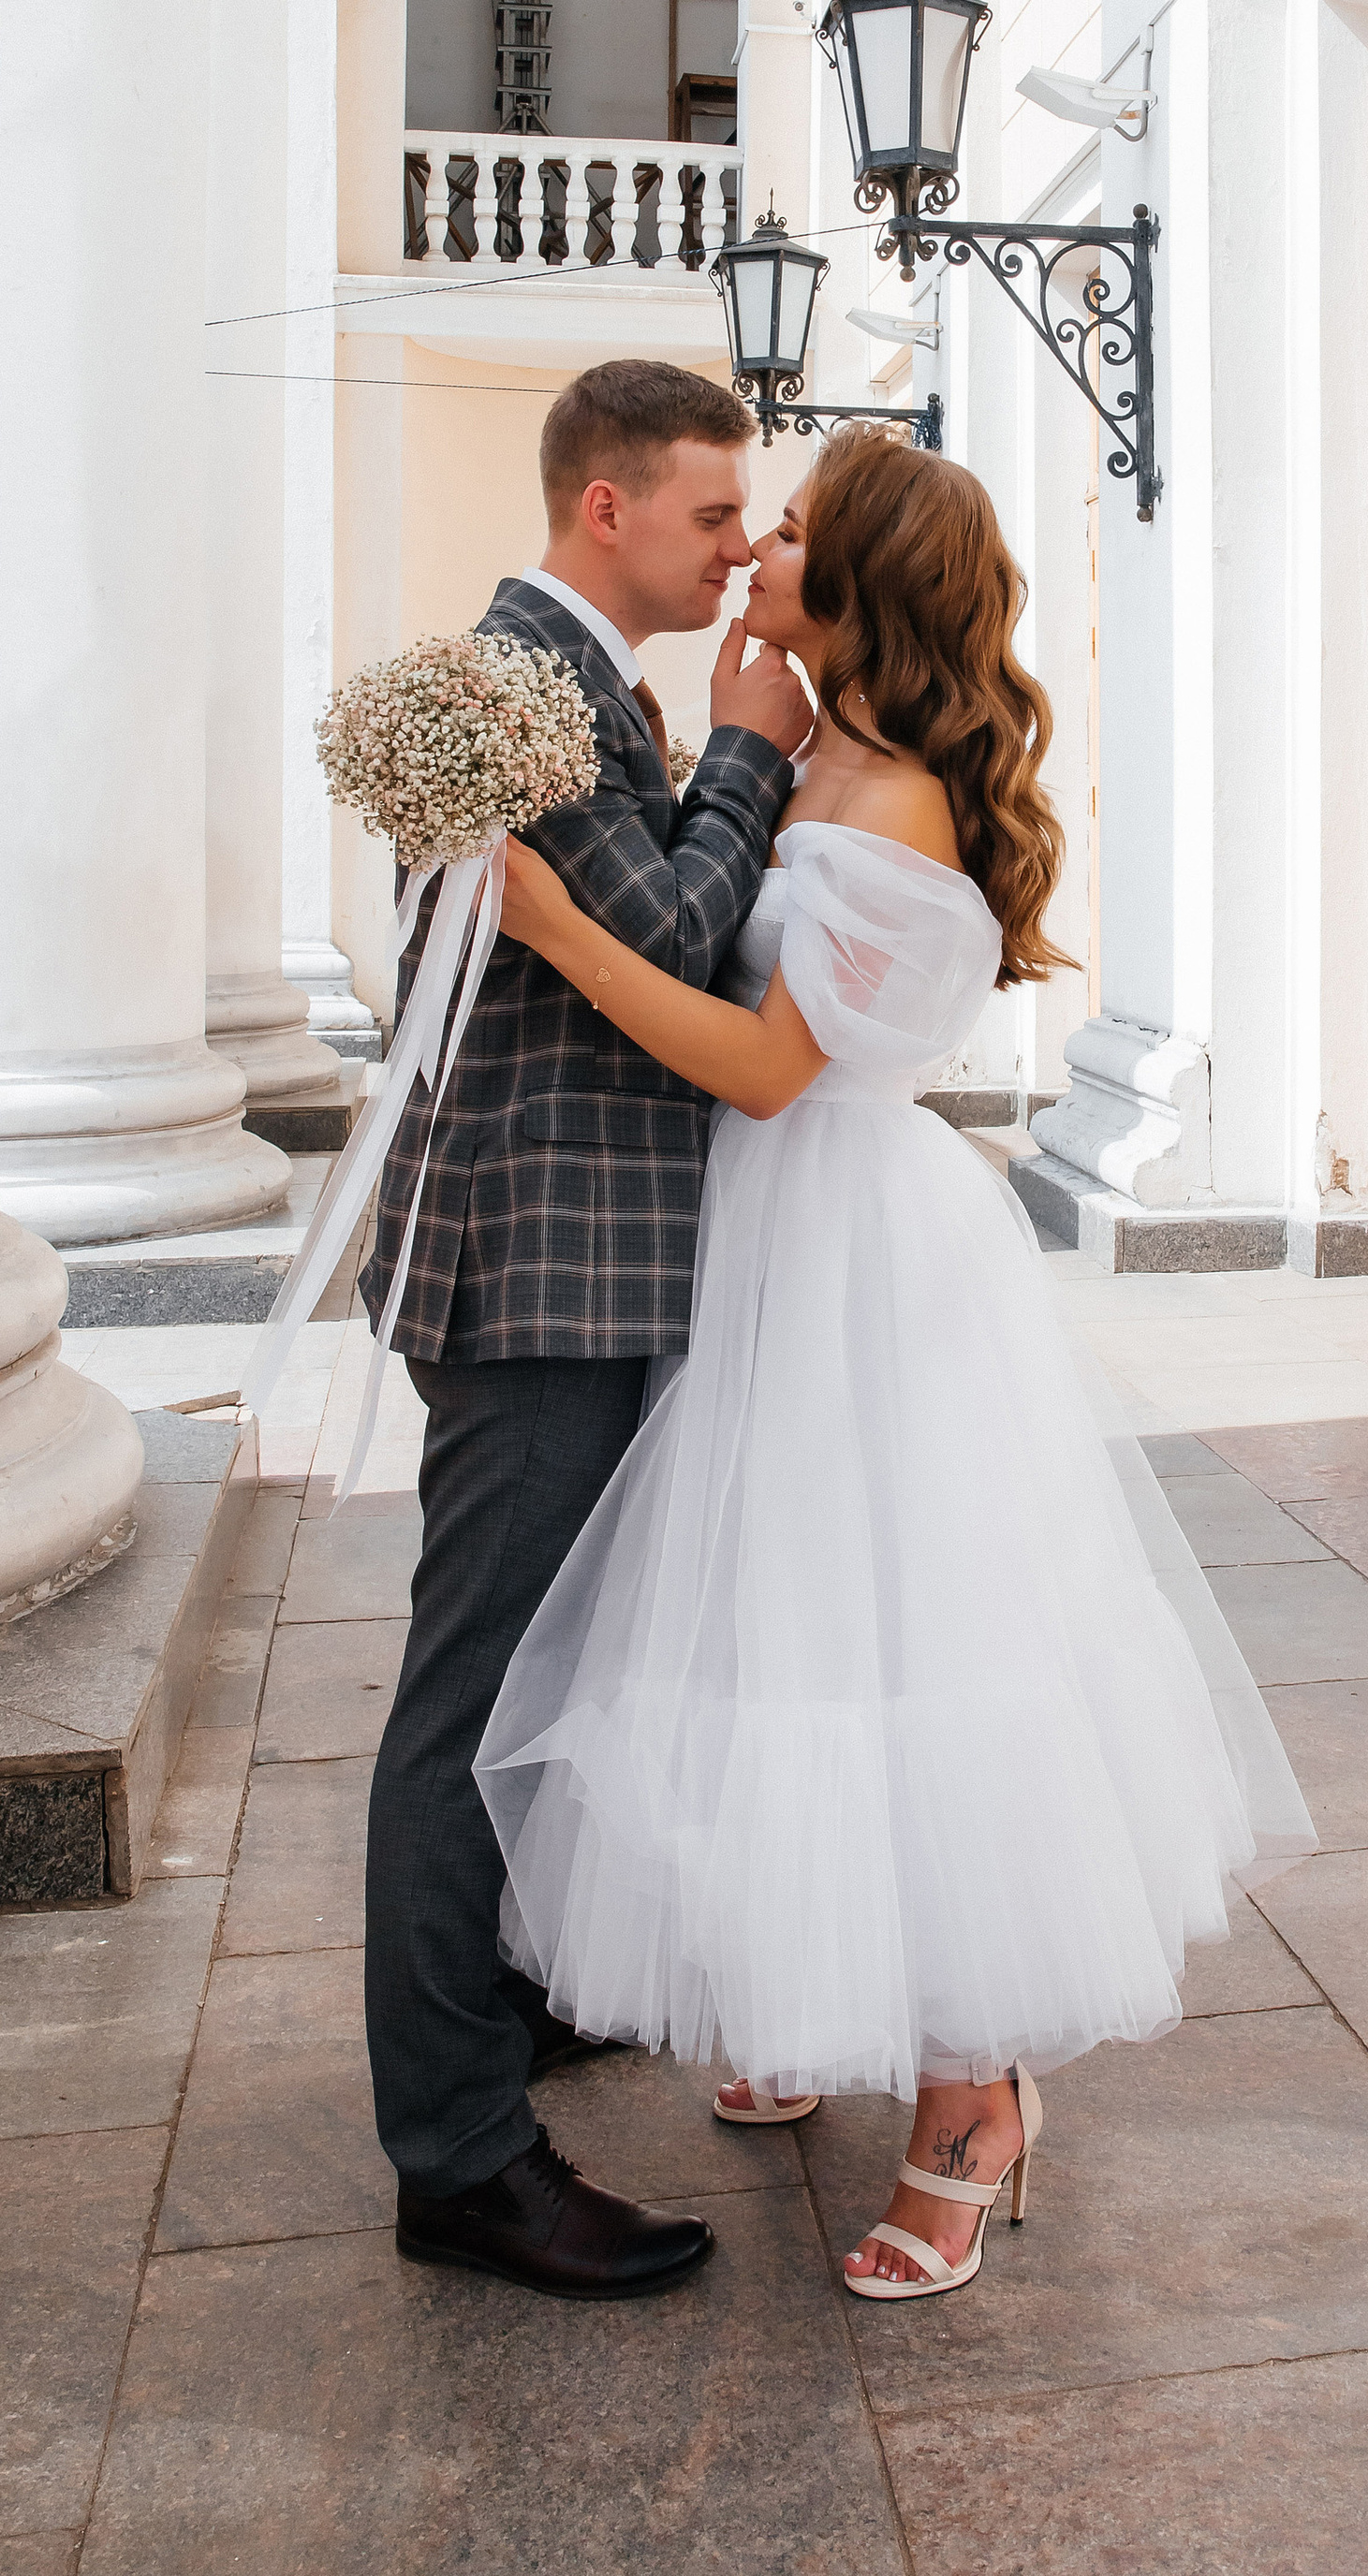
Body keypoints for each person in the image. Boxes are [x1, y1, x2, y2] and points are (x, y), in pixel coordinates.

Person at [478, 431, 1316, 2304]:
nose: (756, 546)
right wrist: (732, 740)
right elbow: (713, 911)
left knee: (910, 1637)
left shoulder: (909, 803)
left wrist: (545, 924)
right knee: (773, 1624)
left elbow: (769, 1066)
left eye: (790, 530)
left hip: (850, 1239)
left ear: (858, 578)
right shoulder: (815, 748)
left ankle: (968, 2095)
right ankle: (812, 1982)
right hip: (767, 1239)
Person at [366, 359, 811, 2303]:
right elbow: (679, 937)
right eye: (716, 516)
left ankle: (507, 2003)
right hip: (535, 1271)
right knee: (468, 1721)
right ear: (604, 508)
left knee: (541, 1685)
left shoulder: (553, 679)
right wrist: (750, 753)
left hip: (570, 1257)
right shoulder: (528, 691)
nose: (738, 551)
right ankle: (461, 2154)